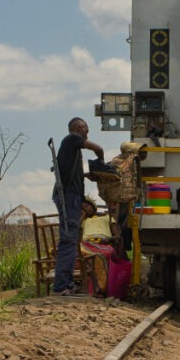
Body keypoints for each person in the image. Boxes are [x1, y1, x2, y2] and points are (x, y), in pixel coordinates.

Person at [52, 117, 104, 295]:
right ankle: (61, 286)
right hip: (69, 197)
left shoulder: (71, 149)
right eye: (84, 128)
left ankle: (66, 283)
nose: (87, 132)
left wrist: (86, 175)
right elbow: (98, 148)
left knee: (71, 240)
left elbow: (69, 172)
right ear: (76, 128)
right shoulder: (72, 139)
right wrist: (101, 163)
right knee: (68, 240)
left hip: (70, 196)